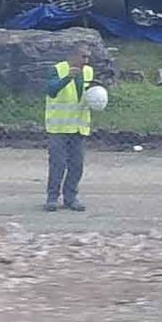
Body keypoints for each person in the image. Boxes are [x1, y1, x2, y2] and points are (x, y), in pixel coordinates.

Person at [44, 44, 96, 212]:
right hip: (59, 127)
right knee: (57, 164)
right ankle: (52, 198)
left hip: (79, 127)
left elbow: (90, 94)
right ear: (72, 56)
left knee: (77, 165)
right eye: (83, 57)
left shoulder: (89, 72)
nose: (86, 61)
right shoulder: (58, 70)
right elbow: (51, 90)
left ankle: (70, 197)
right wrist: (67, 78)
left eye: (88, 57)